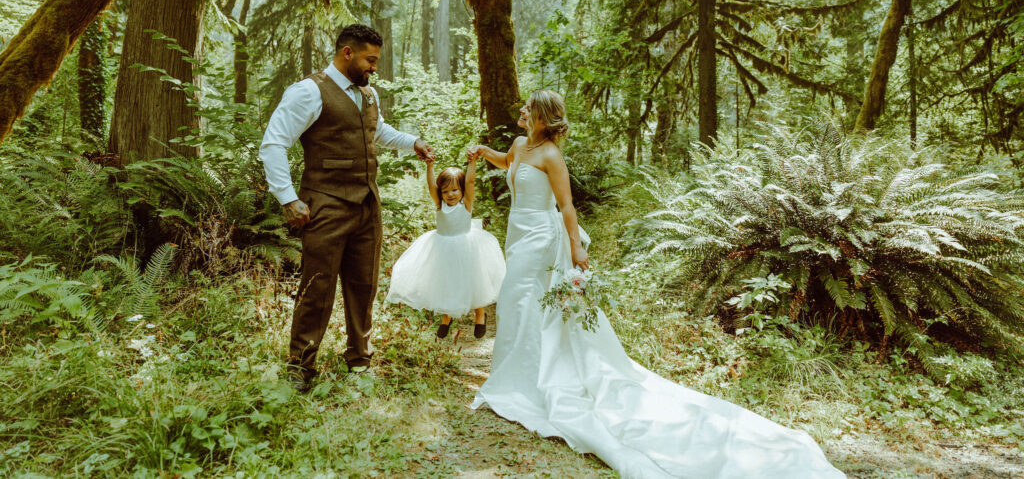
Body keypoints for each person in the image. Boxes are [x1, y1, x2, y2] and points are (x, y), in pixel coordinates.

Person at [468, 90, 845, 479]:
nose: (522, 110)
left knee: (525, 299)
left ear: (543, 118)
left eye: (529, 107)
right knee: (516, 301)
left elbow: (566, 206)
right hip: (518, 233)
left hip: (542, 239)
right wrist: (484, 152)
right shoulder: (518, 144)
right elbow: (509, 162)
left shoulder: (551, 155)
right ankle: (514, 374)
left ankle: (529, 379)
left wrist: (575, 247)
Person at [259, 24, 434, 391]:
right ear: (348, 53)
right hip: (325, 206)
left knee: (363, 285)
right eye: (371, 60)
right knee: (317, 288)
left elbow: (379, 132)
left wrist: (412, 142)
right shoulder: (309, 91)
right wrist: (288, 198)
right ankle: (300, 368)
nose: (375, 68)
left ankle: (359, 361)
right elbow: (274, 144)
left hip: (367, 206)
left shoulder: (368, 95)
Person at [386, 150, 506, 338]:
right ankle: (446, 317)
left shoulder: (466, 203)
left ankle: (480, 314)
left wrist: (472, 162)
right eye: (445, 191)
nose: (450, 194)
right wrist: (429, 166)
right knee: (447, 281)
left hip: (466, 246)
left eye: (455, 190)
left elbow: (470, 181)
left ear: (462, 191)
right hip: (443, 248)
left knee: (474, 280)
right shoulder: (439, 205)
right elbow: (431, 186)